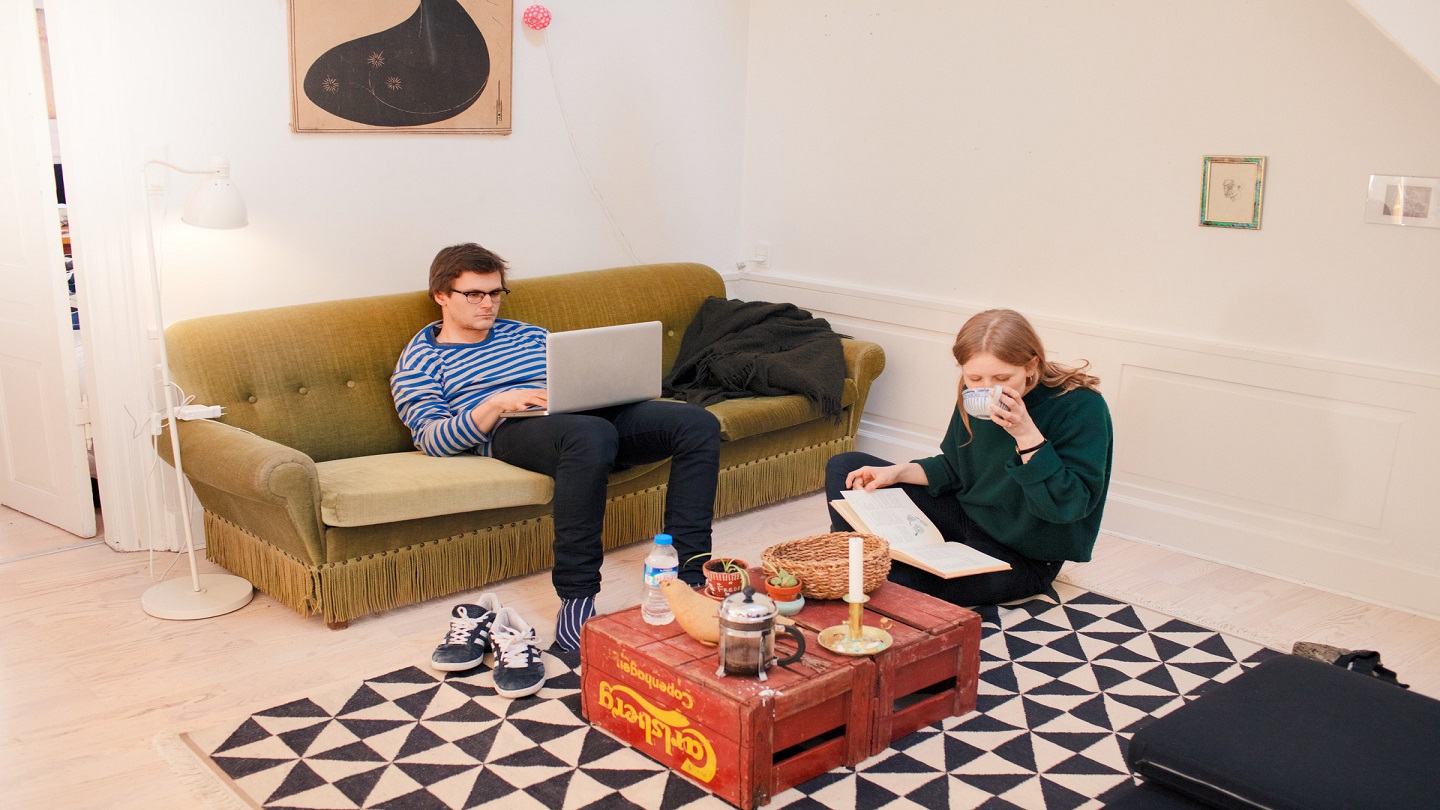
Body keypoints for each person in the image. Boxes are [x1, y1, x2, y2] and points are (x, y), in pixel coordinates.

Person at [391, 243, 721, 652]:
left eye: (495, 293)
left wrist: (599, 390)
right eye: (474, 294)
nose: (488, 304)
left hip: (585, 415)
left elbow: (577, 374)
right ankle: (577, 595)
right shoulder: (420, 361)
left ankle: (690, 575)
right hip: (512, 430)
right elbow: (432, 440)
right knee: (590, 437)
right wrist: (495, 403)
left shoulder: (527, 334)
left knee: (697, 423)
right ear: (441, 295)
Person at [826, 308, 1112, 606]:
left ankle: (868, 567)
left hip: (1024, 554)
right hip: (965, 516)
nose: (986, 389)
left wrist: (1026, 435)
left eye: (1002, 377)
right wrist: (897, 473)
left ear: (1031, 365)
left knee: (897, 585)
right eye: (974, 377)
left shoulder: (1081, 406)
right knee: (846, 468)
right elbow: (955, 468)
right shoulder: (971, 391)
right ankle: (873, 563)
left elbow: (1069, 505)